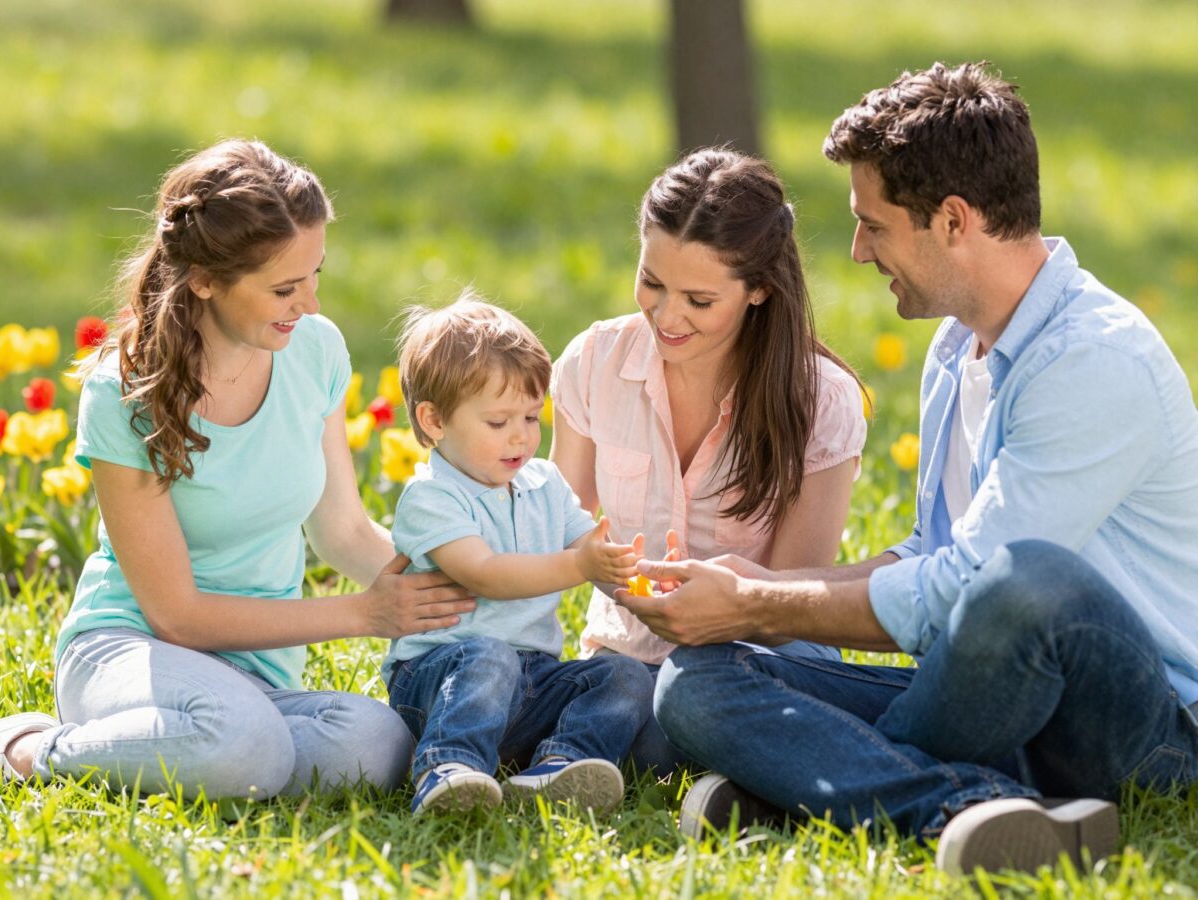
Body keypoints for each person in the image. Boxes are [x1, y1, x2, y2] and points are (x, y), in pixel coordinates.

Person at [623, 62, 1198, 875]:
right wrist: (756, 590)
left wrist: (756, 603)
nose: (858, 251)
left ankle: (811, 790)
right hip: (986, 693)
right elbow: (932, 552)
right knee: (695, 681)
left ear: (953, 220)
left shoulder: (1093, 359)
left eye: (874, 226)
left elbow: (968, 590)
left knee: (1025, 580)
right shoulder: (957, 348)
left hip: (1141, 726)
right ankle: (967, 807)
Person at [0, 140, 475, 799]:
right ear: (204, 279)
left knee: (378, 743)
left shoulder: (315, 351)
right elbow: (176, 616)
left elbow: (341, 531)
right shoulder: (123, 391)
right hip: (132, 649)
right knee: (245, 746)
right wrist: (365, 614)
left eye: (315, 276)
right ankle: (29, 748)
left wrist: (459, 591)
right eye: (284, 288)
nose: (309, 304)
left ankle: (208, 748)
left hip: (256, 676)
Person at [550, 148, 868, 772]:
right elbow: (562, 523)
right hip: (626, 661)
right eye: (652, 282)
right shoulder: (594, 363)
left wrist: (721, 611)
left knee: (687, 714)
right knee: (636, 719)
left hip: (756, 652)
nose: (667, 316)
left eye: (699, 300)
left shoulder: (821, 399)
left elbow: (794, 598)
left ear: (760, 290)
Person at [385, 294, 654, 815]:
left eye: (531, 417)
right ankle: (448, 767)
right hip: (442, 678)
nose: (521, 437)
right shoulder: (432, 497)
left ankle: (559, 765)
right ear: (434, 420)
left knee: (623, 674)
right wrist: (579, 567)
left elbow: (587, 545)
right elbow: (484, 574)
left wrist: (632, 577)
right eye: (498, 422)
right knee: (489, 656)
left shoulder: (543, 482)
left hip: (531, 680)